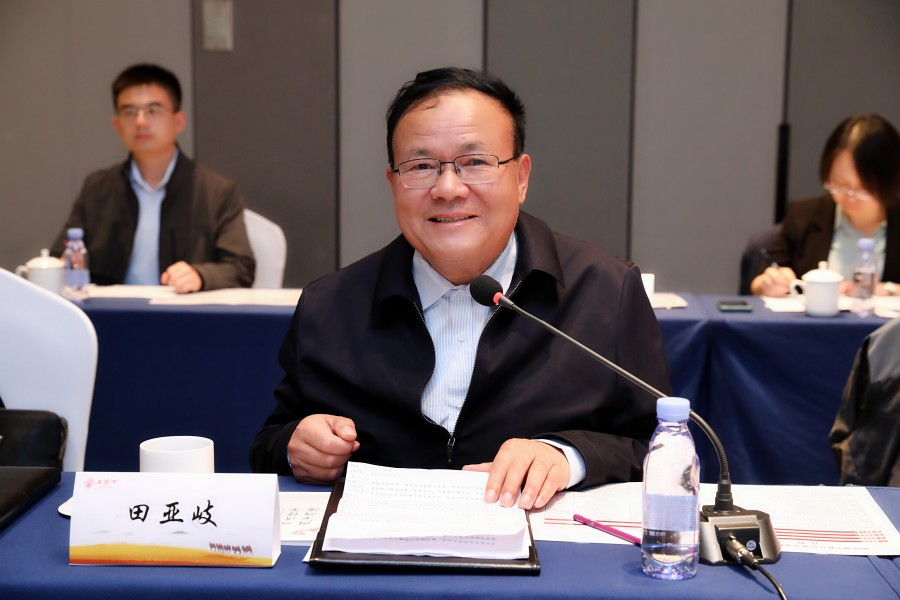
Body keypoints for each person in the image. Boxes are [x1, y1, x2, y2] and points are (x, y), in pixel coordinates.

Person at [250, 67, 670, 510]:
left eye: (475, 162)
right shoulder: (330, 305)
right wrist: (298, 448)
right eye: (421, 166)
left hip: (538, 546)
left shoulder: (604, 291)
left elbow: (659, 445)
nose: (448, 189)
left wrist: (568, 456)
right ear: (393, 183)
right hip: (379, 546)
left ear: (521, 177)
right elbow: (271, 442)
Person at [50, 63, 254, 293]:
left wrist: (201, 276)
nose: (141, 122)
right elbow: (61, 257)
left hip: (182, 311)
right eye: (129, 112)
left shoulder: (215, 191)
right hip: (110, 311)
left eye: (153, 110)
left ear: (179, 121)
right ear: (117, 126)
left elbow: (241, 267)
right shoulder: (97, 189)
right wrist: (56, 268)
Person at [750, 114, 900, 297]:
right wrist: (768, 283)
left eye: (864, 188)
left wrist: (888, 289)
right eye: (840, 184)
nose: (850, 197)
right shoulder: (803, 215)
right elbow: (761, 279)